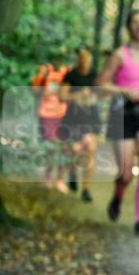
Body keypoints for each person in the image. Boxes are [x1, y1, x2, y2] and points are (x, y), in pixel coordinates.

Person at [97, 9, 139, 238]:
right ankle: (118, 196)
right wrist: (125, 90)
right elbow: (101, 84)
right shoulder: (119, 55)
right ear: (128, 27)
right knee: (126, 173)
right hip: (121, 113)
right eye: (135, 23)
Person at [61, 46, 102, 202]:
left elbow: (102, 93)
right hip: (72, 119)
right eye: (82, 57)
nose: (84, 60)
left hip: (92, 118)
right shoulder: (70, 75)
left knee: (91, 150)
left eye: (87, 58)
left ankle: (86, 189)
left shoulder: (95, 75)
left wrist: (94, 96)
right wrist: (78, 95)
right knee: (74, 150)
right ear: (78, 59)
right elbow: (62, 96)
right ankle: (72, 173)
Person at [31, 61, 70, 190]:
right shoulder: (46, 70)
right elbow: (35, 89)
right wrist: (41, 76)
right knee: (51, 147)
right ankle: (47, 178)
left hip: (64, 114)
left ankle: (60, 179)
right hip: (47, 114)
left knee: (65, 147)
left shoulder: (68, 71)